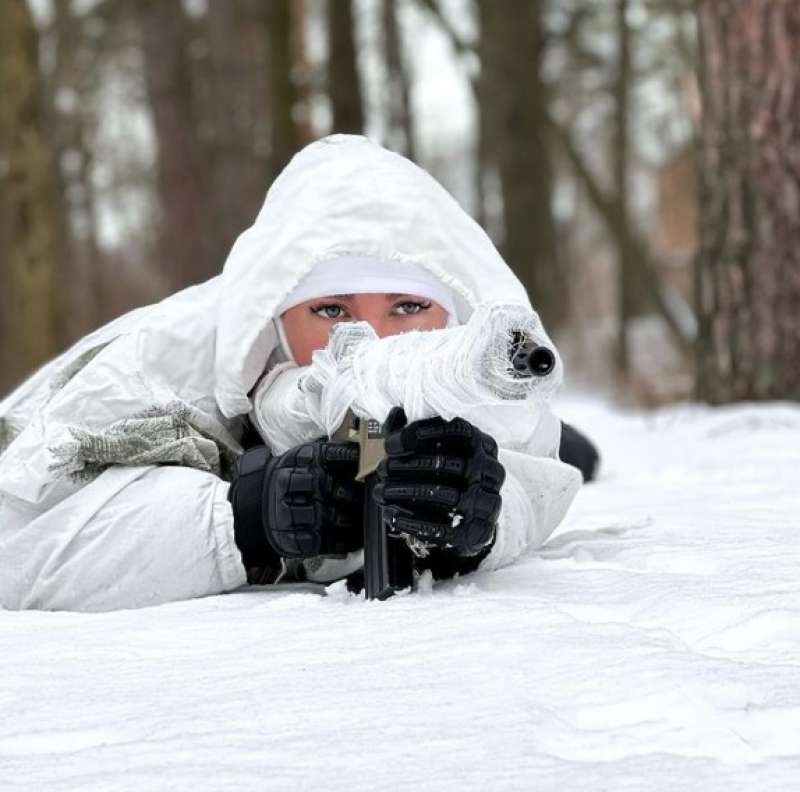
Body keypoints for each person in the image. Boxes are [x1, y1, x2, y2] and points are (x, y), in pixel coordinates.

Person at [0, 134, 598, 612]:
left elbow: (533, 470)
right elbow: (20, 543)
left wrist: (479, 523)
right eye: (331, 310)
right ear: (276, 320)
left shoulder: (474, 378)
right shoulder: (160, 367)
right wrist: (245, 518)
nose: (372, 339)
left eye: (408, 308)